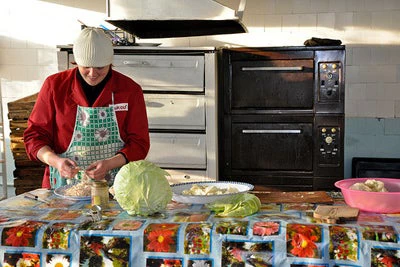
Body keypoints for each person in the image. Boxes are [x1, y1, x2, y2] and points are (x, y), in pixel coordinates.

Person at [23, 27, 150, 189]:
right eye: (86, 67)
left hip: (117, 186)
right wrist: (56, 161)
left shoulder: (129, 89)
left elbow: (140, 143)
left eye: (100, 67)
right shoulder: (55, 86)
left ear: (110, 63)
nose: (92, 73)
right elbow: (34, 137)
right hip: (64, 186)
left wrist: (110, 163)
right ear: (76, 62)